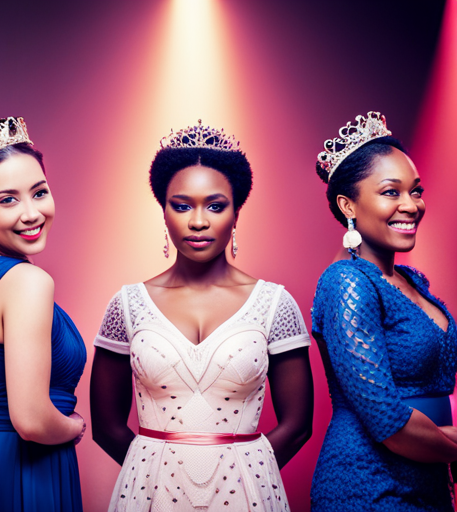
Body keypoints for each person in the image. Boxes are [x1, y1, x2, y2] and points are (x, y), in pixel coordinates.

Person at [90, 121, 313, 512]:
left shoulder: (275, 303)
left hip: (248, 497)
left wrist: (242, 474)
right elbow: (107, 426)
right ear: (164, 211)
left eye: (215, 205)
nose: (197, 221)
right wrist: (153, 474)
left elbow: (298, 425)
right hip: (149, 498)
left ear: (236, 212)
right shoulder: (126, 304)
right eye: (181, 205)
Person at [310, 111, 457, 511]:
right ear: (348, 204)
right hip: (371, 484)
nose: (411, 205)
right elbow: (386, 419)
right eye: (391, 192)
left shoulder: (414, 282)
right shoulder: (347, 281)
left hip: (429, 478)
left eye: (416, 191)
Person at [0, 117, 87, 512]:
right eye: (8, 199)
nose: (32, 213)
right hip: (21, 472)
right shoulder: (27, 281)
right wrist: (74, 426)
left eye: (39, 192)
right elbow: (32, 420)